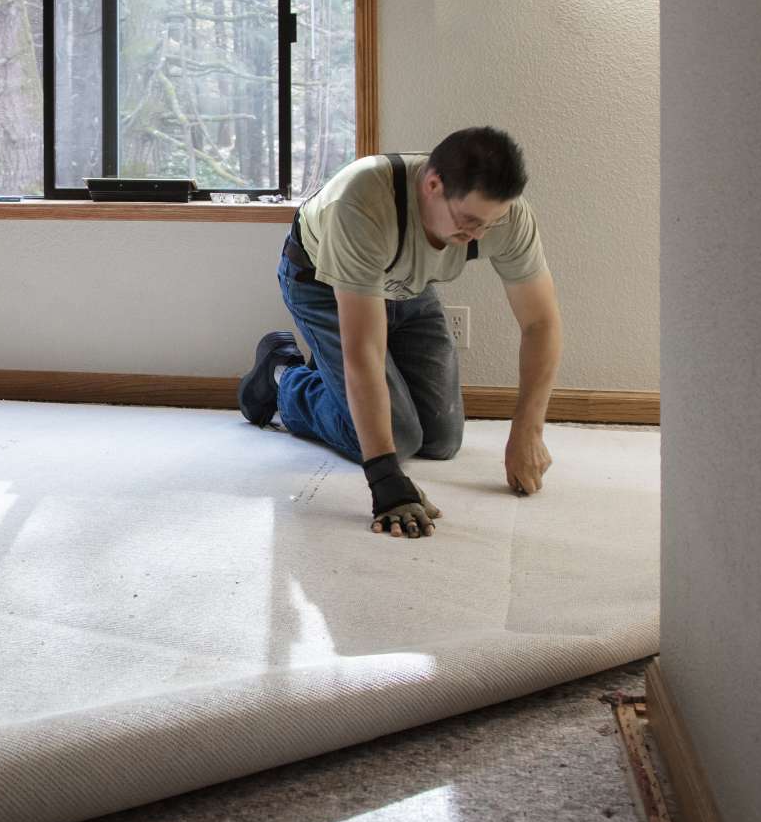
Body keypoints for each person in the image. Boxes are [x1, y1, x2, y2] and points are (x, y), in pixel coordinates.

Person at [237, 127, 563, 538]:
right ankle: (282, 376)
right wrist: (385, 479)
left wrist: (528, 429)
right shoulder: (363, 202)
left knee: (442, 440)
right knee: (399, 438)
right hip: (321, 283)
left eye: (491, 223)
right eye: (469, 222)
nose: (480, 235)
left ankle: (331, 375)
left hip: (406, 285)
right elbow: (364, 351)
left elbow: (540, 324)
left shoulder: (506, 217)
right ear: (432, 185)